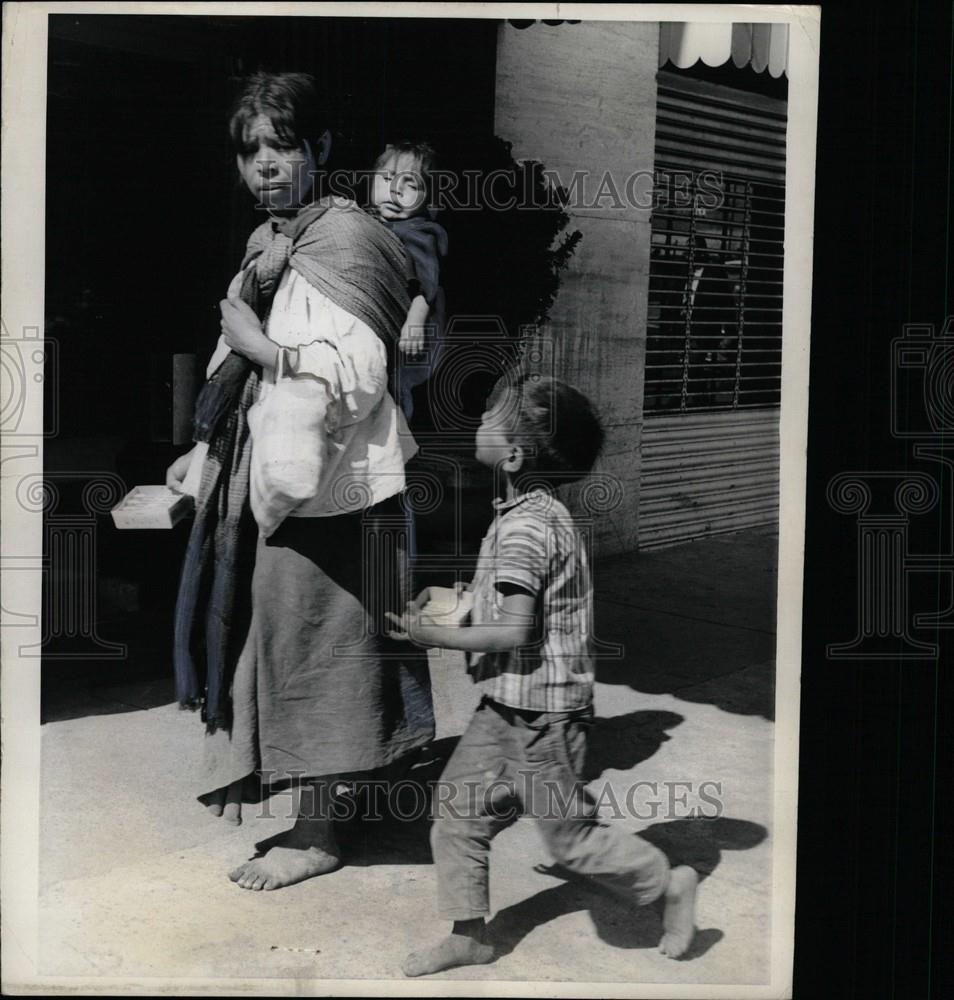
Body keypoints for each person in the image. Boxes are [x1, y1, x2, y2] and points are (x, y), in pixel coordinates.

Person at [166, 71, 434, 890]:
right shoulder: (270, 244)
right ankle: (331, 805)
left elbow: (357, 378)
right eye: (250, 152)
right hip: (278, 475)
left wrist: (260, 348)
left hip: (338, 487)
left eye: (282, 147)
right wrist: (202, 448)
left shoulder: (343, 242)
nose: (265, 167)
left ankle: (318, 833)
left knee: (318, 648)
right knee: (293, 641)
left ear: (319, 148)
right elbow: (231, 352)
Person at [386, 375, 698, 975]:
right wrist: (463, 596)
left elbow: (515, 632)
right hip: (506, 705)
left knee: (569, 839)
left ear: (514, 456)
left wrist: (434, 635)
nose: (475, 422)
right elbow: (520, 609)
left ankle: (668, 881)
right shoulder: (527, 513)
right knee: (456, 807)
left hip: (543, 720)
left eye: (487, 419)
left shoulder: (527, 528)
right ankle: (471, 932)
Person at [368, 141, 448, 420]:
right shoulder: (373, 222)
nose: (395, 190)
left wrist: (415, 321)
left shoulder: (417, 232)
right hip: (386, 329)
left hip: (412, 330)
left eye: (411, 184)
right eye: (387, 178)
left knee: (394, 392)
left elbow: (427, 282)